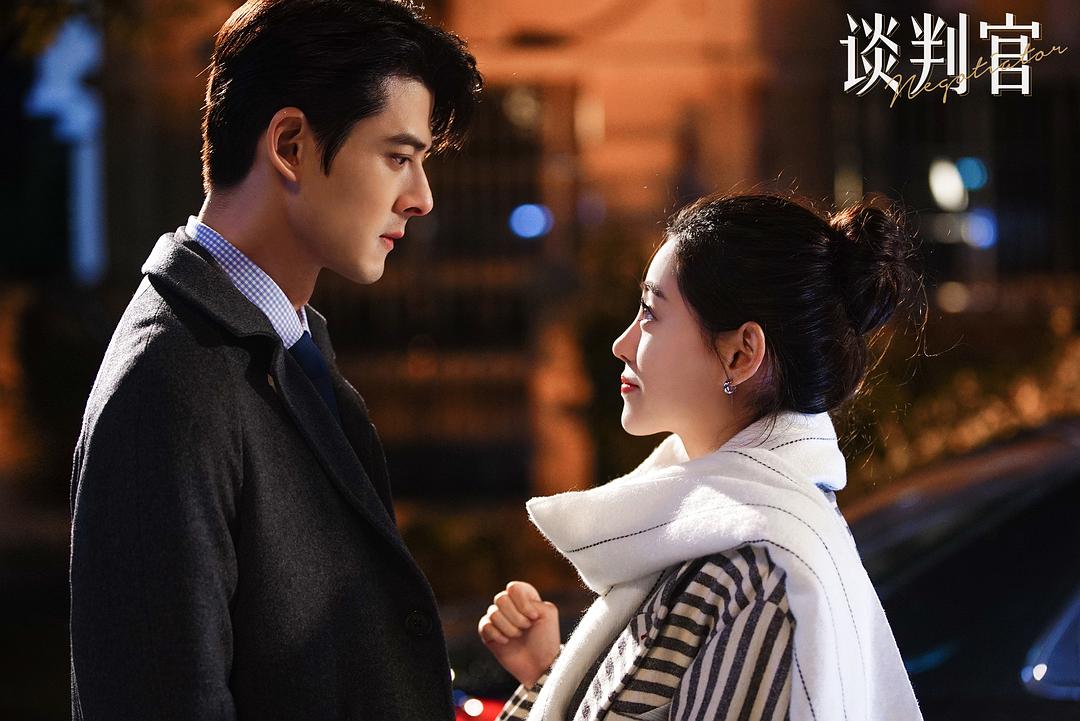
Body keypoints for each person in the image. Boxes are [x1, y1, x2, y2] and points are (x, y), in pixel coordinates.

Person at [68, 1, 482, 719]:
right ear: (290, 144)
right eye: (398, 157)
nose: (420, 198)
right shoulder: (170, 384)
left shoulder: (282, 344)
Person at [479, 192, 925, 721]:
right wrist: (551, 675)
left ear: (741, 354)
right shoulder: (715, 535)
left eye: (650, 313)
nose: (622, 343)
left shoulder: (758, 572)